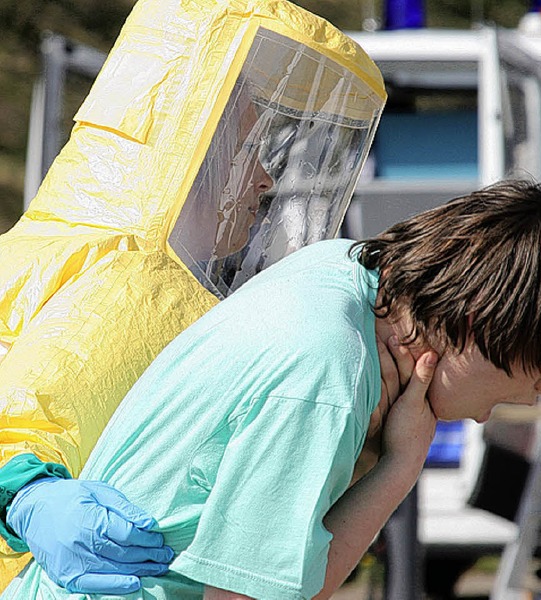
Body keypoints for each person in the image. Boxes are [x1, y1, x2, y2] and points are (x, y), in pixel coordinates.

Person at [2, 180, 541, 599]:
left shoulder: (341, 268)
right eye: (535, 379)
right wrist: (401, 466)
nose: (524, 404)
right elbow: (253, 596)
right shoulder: (326, 377)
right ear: (475, 326)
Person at [0, 0, 386, 593]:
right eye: (246, 149)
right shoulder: (125, 276)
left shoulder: (112, 261)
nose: (264, 181)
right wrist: (28, 495)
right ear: (190, 152)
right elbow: (22, 412)